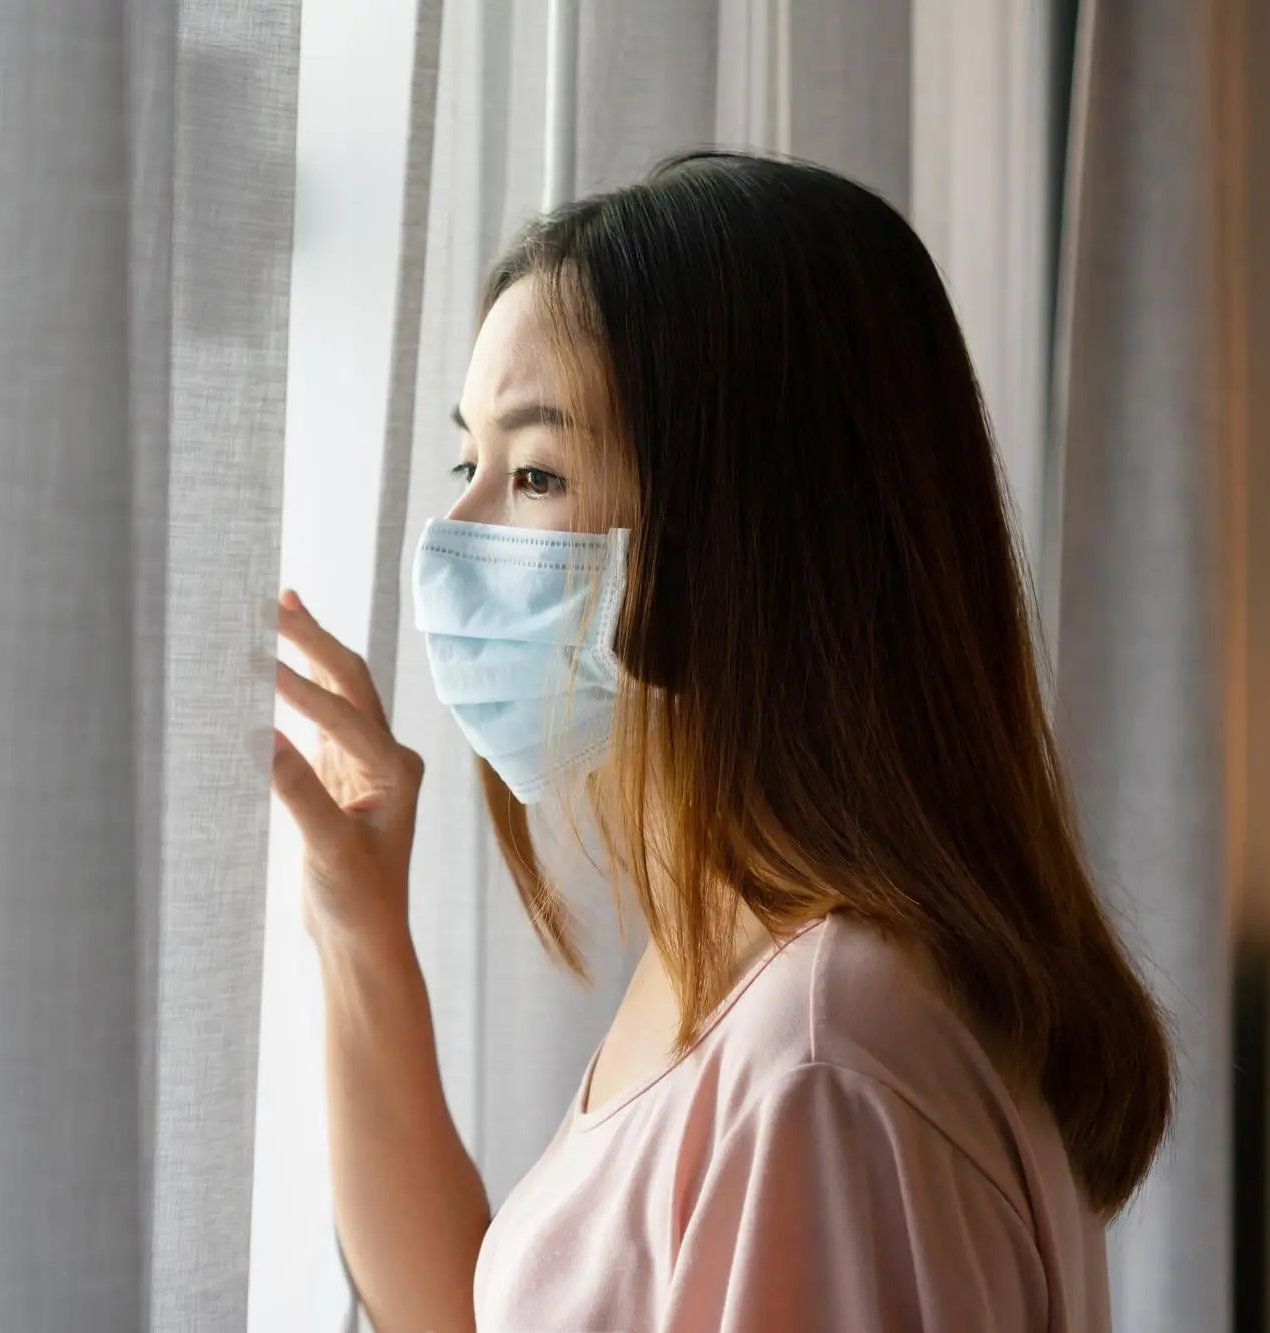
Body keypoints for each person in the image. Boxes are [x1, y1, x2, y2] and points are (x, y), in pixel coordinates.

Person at [268, 151, 1171, 1333]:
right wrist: (359, 933)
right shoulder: (751, 971)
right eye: (466, 460)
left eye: (534, 471)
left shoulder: (821, 1057)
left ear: (746, 533)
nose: (456, 530)